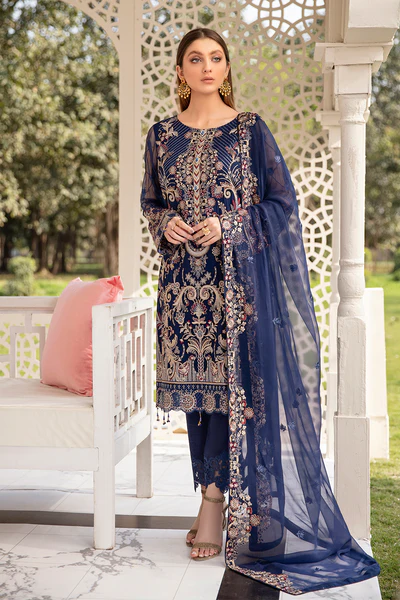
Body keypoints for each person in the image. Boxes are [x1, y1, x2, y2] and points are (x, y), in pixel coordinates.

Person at [140, 27, 380, 596]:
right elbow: (151, 201)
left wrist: (228, 224)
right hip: (184, 292)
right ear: (181, 71)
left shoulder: (249, 131)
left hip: (240, 292)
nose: (206, 66)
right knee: (199, 401)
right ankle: (210, 491)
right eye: (195, 58)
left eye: (215, 57)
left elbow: (281, 204)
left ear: (226, 68)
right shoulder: (161, 136)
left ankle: (215, 502)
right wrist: (165, 223)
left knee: (235, 397)